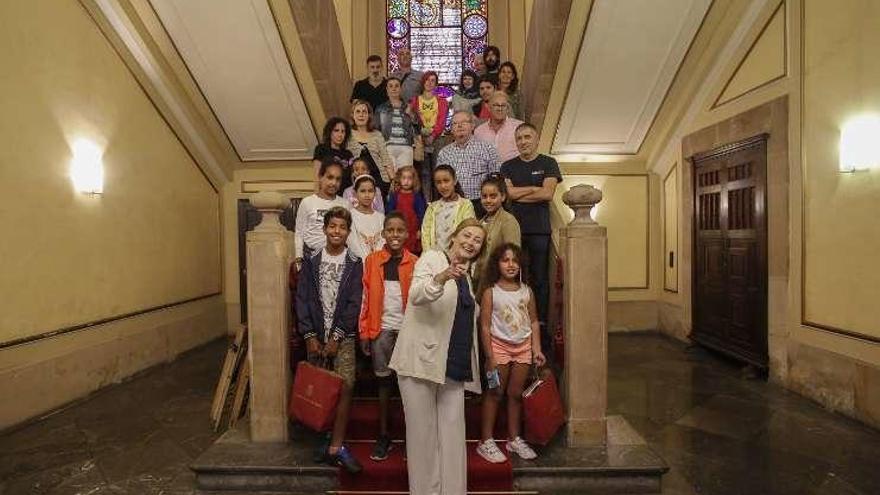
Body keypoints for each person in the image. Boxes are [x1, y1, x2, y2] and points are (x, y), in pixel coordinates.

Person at [388, 219, 487, 495]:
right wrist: (442, 277)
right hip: (420, 362)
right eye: (466, 235)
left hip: (453, 366)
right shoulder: (432, 258)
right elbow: (417, 296)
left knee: (453, 436)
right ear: (454, 237)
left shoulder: (467, 275)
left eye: (477, 240)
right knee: (423, 437)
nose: (470, 242)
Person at [295, 206, 364, 474]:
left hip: (342, 338)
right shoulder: (312, 261)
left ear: (348, 232)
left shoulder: (354, 263)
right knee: (320, 389)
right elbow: (302, 299)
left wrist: (336, 337)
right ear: (325, 229)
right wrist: (310, 335)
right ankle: (322, 441)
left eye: (342, 228)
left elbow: (353, 303)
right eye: (332, 226)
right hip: (315, 336)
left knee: (345, 387)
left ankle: (337, 446)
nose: (337, 231)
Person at [476, 243, 546, 464]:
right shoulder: (491, 292)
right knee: (495, 392)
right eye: (505, 260)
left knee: (515, 394)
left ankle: (514, 439)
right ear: (497, 264)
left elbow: (534, 321)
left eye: (515, 260)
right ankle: (486, 441)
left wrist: (537, 349)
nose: (511, 264)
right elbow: (485, 326)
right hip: (499, 349)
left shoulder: (527, 291)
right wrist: (490, 357)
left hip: (523, 348)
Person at [358, 212, 418, 461]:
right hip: (380, 329)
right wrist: (364, 331)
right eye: (390, 230)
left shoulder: (415, 261)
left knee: (409, 386)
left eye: (399, 230)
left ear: (407, 234)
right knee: (384, 383)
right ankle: (384, 435)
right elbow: (365, 297)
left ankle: (410, 438)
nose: (395, 235)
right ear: (383, 233)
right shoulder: (372, 261)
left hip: (408, 331)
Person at [501, 123, 562, 365]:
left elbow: (548, 194)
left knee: (539, 279)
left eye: (528, 137)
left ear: (536, 139)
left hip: (539, 230)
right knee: (514, 277)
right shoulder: (508, 166)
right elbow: (510, 195)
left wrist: (520, 191)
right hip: (514, 229)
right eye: (519, 138)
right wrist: (532, 189)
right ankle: (515, 323)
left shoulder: (548, 163)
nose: (523, 141)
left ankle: (540, 325)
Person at [436, 111, 499, 216]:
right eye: (455, 124)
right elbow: (439, 182)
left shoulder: (487, 149)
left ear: (472, 125)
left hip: (480, 205)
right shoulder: (444, 153)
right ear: (451, 129)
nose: (459, 126)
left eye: (464, 122)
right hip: (453, 205)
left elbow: (497, 180)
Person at [473, 174, 521, 292]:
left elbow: (512, 256)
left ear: (503, 197)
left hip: (498, 285)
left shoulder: (508, 221)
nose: (488, 200)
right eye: (484, 196)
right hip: (478, 281)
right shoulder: (480, 222)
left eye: (493, 196)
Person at [295, 159, 349, 262]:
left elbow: (348, 234)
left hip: (338, 257)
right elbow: (299, 232)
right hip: (310, 257)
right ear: (320, 177)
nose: (334, 183)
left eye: (338, 179)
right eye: (330, 177)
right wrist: (298, 257)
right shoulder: (307, 202)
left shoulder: (345, 204)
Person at [410, 70, 449, 199]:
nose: (429, 83)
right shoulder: (416, 100)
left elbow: (442, 120)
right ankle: (427, 201)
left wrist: (433, 135)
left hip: (437, 139)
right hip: (421, 140)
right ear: (423, 82)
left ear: (436, 84)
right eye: (427, 79)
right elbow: (411, 117)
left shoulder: (442, 101)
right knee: (425, 172)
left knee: (438, 171)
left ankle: (440, 199)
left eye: (433, 80)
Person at [347, 99, 395, 201]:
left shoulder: (377, 134)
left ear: (369, 115)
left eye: (364, 112)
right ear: (353, 115)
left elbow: (385, 158)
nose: (361, 115)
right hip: (356, 179)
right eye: (358, 112)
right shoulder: (348, 134)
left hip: (379, 179)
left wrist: (393, 181)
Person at [421, 164, 475, 253]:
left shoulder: (465, 205)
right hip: (435, 259)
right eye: (438, 182)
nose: (443, 186)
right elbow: (425, 235)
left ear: (454, 180)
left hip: (457, 257)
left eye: (446, 181)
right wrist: (429, 256)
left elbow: (468, 231)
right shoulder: (432, 208)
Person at [375, 77, 417, 171]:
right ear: (387, 89)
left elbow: (417, 127)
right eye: (390, 86)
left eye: (396, 86)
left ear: (400, 89)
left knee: (405, 178)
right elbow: (376, 130)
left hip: (406, 146)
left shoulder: (408, 107)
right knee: (390, 178)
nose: (394, 88)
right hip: (387, 147)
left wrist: (411, 114)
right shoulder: (381, 109)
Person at [386, 165, 427, 254]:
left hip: (412, 229)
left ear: (414, 180)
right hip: (398, 227)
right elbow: (389, 212)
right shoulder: (395, 195)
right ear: (399, 179)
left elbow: (421, 214)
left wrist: (420, 229)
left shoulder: (416, 196)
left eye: (409, 178)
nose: (406, 181)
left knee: (411, 252)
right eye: (404, 178)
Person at [474, 92, 524, 165]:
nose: (500, 109)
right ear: (489, 107)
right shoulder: (479, 131)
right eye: (496, 105)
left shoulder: (519, 127)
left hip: (514, 173)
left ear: (507, 109)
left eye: (503, 105)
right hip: (487, 174)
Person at [347, 175, 385, 260]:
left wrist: (375, 261)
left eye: (370, 191)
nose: (367, 195)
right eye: (363, 191)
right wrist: (365, 261)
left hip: (378, 263)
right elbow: (353, 243)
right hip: (359, 263)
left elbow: (382, 241)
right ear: (355, 193)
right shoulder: (350, 216)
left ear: (375, 193)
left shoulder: (381, 217)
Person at [312, 117, 354, 193]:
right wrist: (317, 197)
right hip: (327, 194)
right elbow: (317, 176)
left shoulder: (348, 154)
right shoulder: (321, 149)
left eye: (343, 131)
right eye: (336, 130)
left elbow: (351, 178)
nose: (340, 134)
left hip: (345, 196)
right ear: (330, 131)